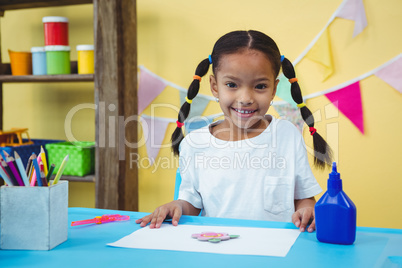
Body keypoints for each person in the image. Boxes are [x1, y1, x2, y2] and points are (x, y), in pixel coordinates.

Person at [136, 30, 332, 233]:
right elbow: (191, 205)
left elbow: (303, 198)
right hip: (217, 248)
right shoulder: (194, 143)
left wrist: (308, 210)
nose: (245, 98)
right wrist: (176, 206)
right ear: (214, 86)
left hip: (275, 250)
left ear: (274, 89)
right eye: (231, 85)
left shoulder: (287, 135)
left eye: (260, 86)